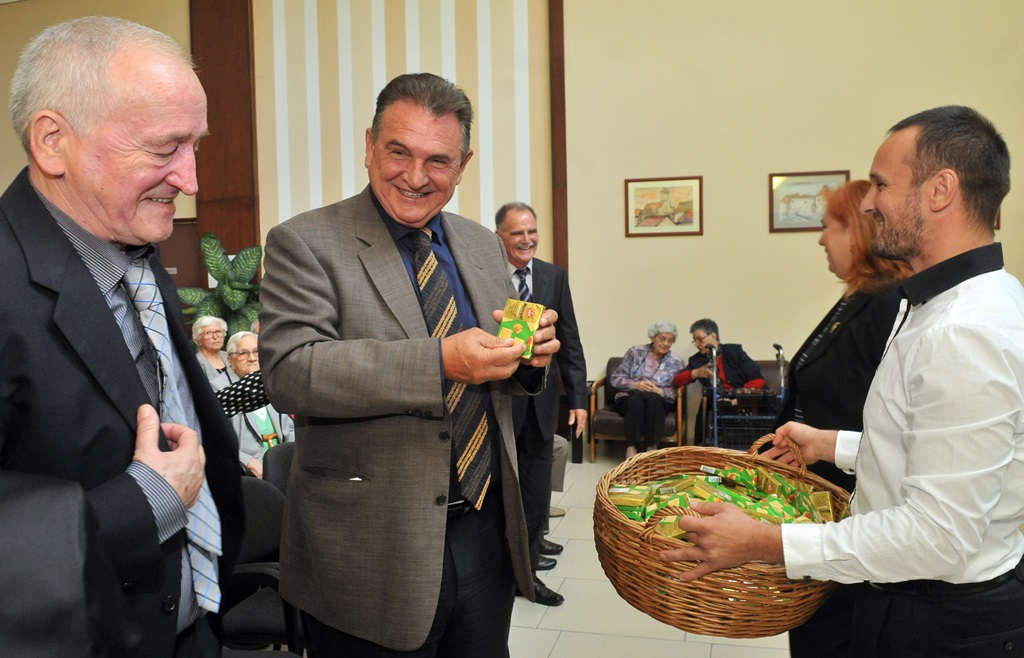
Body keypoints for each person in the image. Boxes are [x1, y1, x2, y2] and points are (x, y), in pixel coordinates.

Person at [662, 106, 1024, 656]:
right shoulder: (951, 302)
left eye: (881, 183)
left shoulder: (963, 331)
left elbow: (939, 538)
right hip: (915, 599)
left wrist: (763, 541)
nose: (870, 201)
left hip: (939, 618)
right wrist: (832, 444)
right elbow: (937, 451)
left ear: (940, 190)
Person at [258, 72, 561, 655]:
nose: (416, 177)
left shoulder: (479, 244)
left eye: (438, 161)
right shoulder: (305, 241)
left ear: (464, 164)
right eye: (398, 151)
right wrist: (441, 361)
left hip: (484, 533)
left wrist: (527, 360)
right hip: (369, 548)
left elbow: (495, 359)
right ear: (370, 144)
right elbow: (292, 370)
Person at [0, 16, 244, 657]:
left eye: (195, 146)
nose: (191, 179)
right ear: (53, 142)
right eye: (164, 150)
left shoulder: (129, 240)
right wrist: (148, 502)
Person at [775, 180, 912, 657]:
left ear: (858, 232)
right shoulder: (856, 298)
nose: (820, 239)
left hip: (850, 514)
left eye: (829, 226)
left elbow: (889, 424)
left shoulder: (888, 304)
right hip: (822, 498)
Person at [496, 200, 588, 607]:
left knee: (535, 486)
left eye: (531, 231)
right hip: (497, 401)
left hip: (542, 403)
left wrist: (579, 398)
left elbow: (570, 340)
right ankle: (505, 563)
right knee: (502, 488)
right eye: (517, 233)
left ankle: (528, 568)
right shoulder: (484, 275)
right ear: (500, 236)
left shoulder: (553, 275)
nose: (527, 239)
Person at [672, 318, 764, 443]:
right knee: (711, 403)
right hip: (715, 403)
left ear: (713, 335)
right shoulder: (697, 360)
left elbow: (757, 379)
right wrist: (695, 373)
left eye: (700, 339)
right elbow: (677, 381)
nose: (697, 344)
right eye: (695, 341)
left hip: (742, 398)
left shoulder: (734, 351)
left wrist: (738, 399)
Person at [224, 331, 294, 478]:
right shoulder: (219, 389)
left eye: (256, 351)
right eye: (243, 353)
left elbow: (291, 429)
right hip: (246, 472)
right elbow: (214, 440)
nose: (252, 358)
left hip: (284, 464)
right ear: (230, 360)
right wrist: (248, 462)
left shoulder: (271, 382)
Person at [610, 320, 684, 459]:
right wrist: (635, 385)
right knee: (635, 401)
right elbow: (616, 378)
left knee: (654, 400)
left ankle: (652, 446)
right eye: (662, 338)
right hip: (630, 394)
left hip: (658, 399)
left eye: (670, 340)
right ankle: (631, 447)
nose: (666, 343)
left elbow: (676, 391)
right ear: (653, 337)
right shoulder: (635, 352)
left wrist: (660, 391)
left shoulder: (676, 362)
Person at [192, 315, 229, 384]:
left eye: (218, 331)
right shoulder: (196, 364)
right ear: (198, 340)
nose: (215, 337)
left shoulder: (230, 356)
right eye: (208, 333)